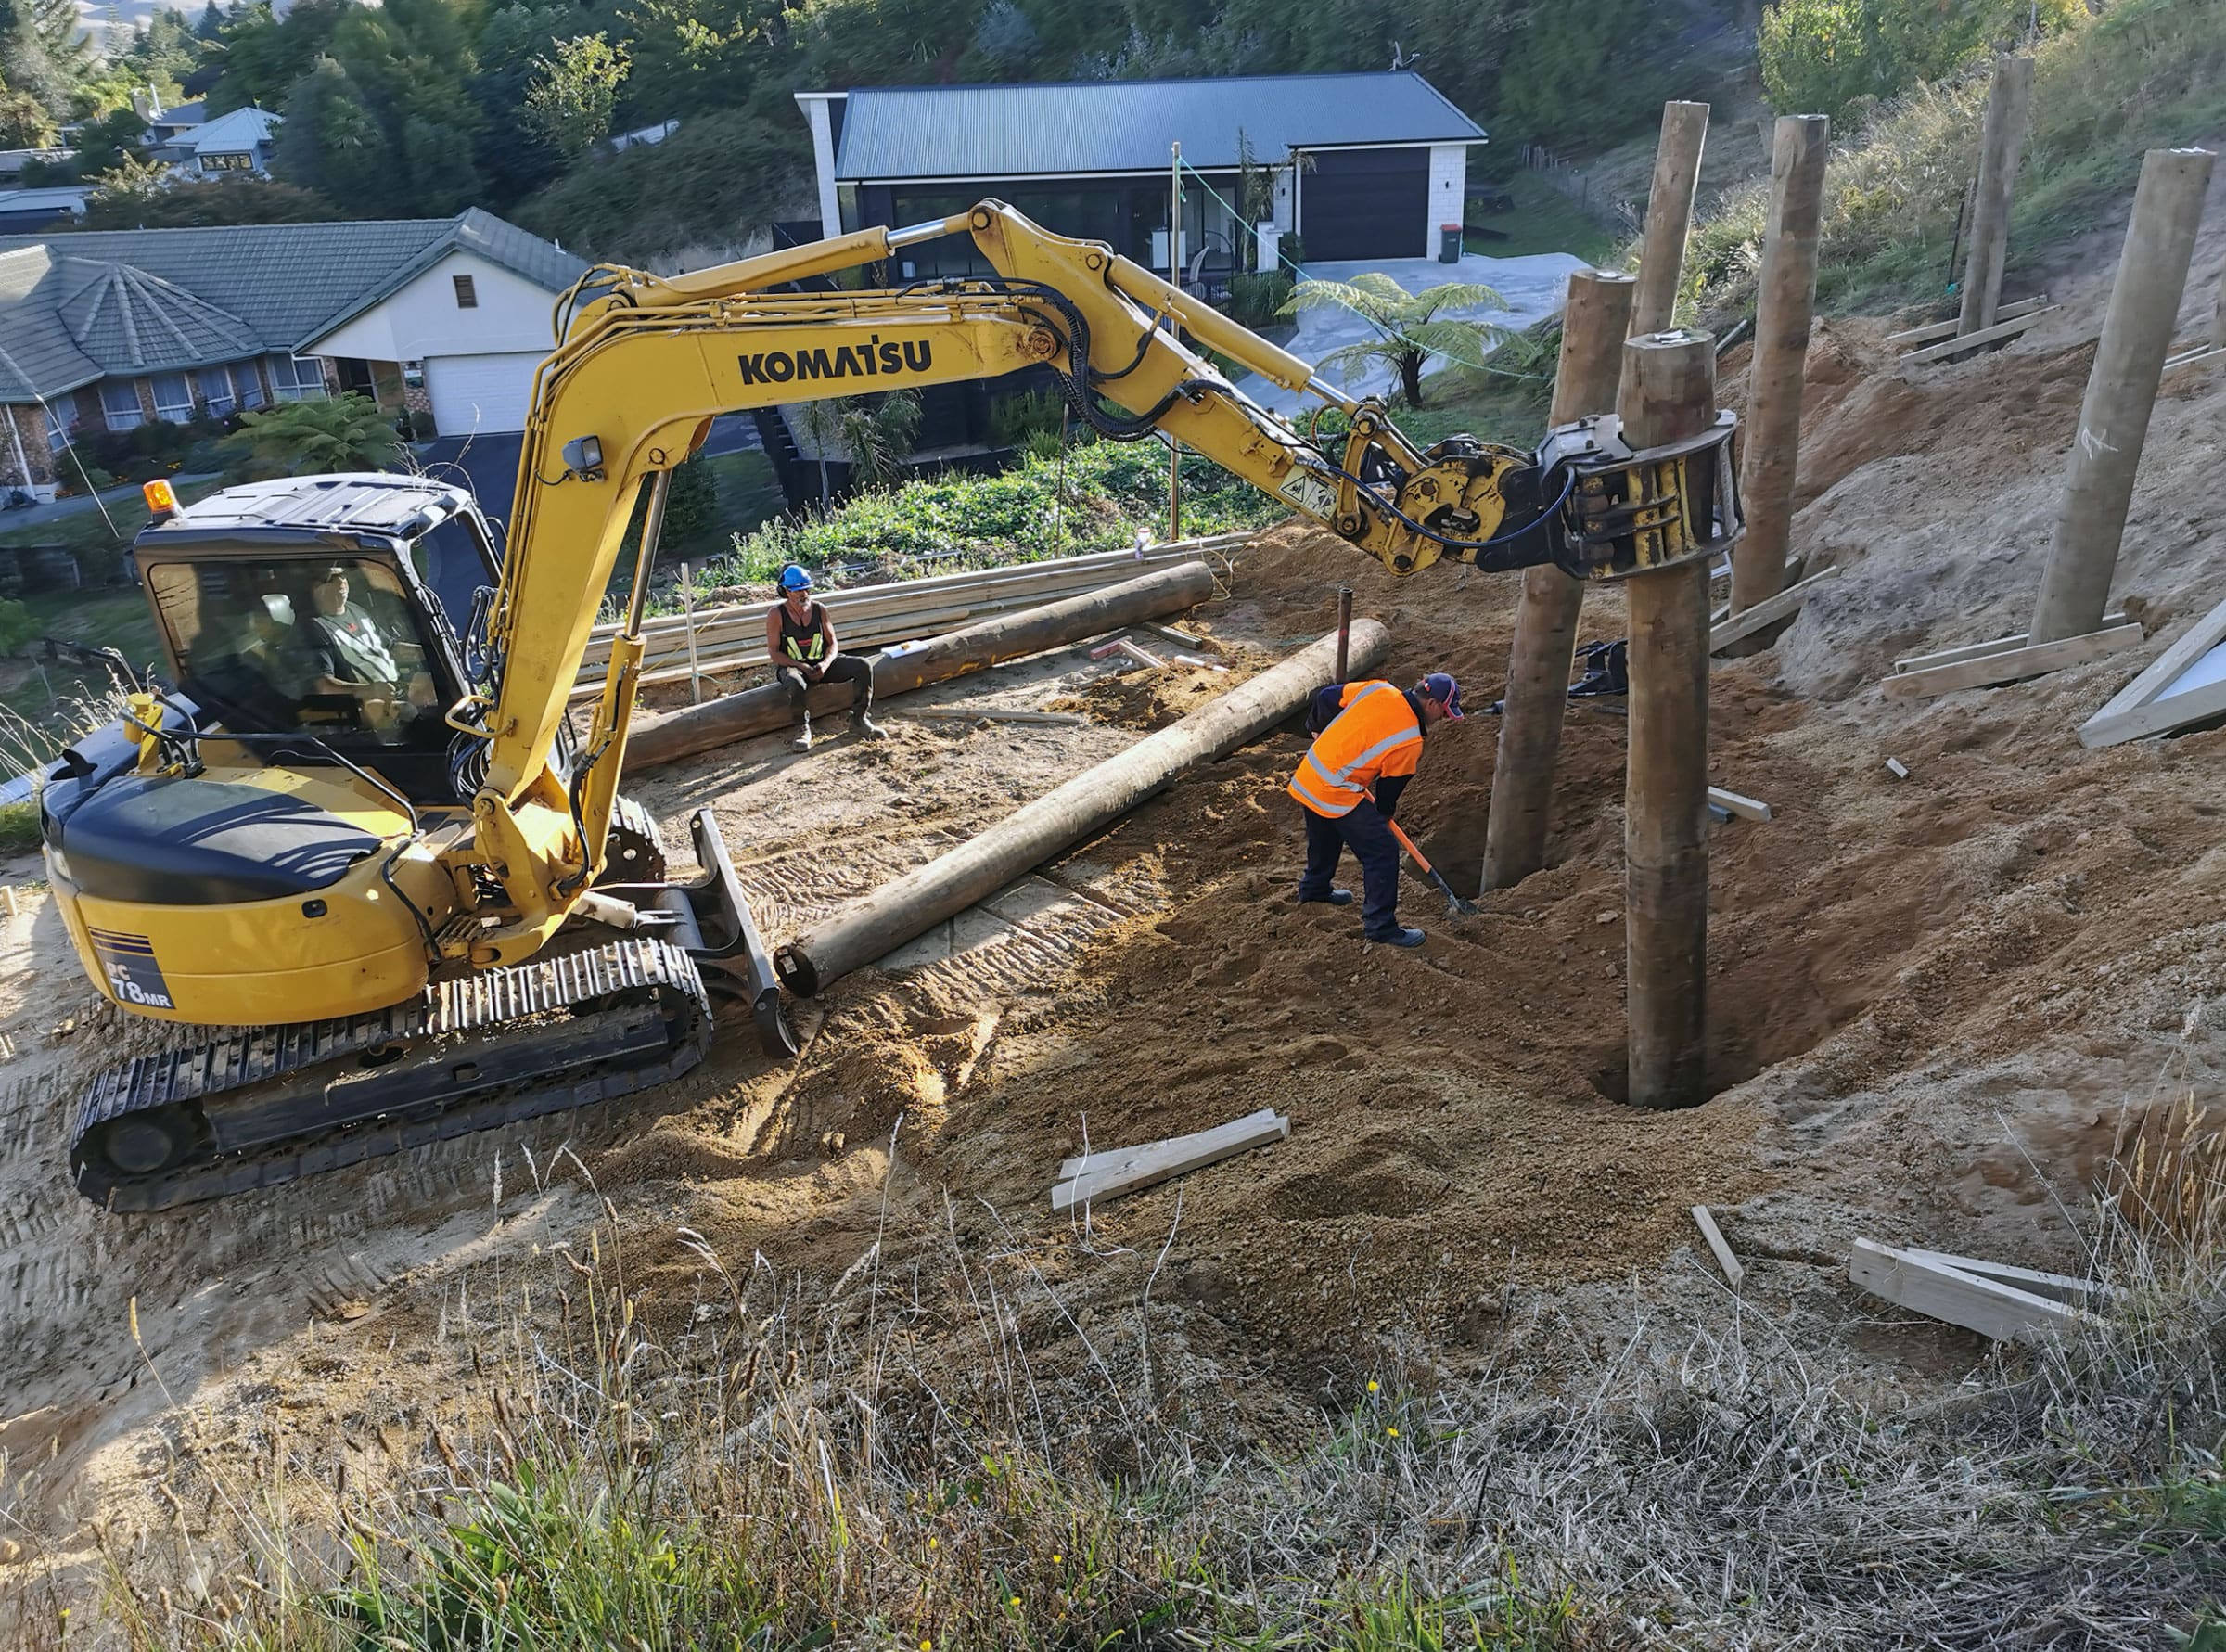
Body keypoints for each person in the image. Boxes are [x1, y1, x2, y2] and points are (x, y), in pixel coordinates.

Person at [1287, 671, 1464, 948]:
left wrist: (1318, 729)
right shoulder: (1410, 741)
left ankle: (1314, 890)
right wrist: (1382, 816)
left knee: (1326, 835)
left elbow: (1326, 696)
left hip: (1310, 773)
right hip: (1336, 789)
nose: (1442, 718)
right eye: (1444, 712)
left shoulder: (1379, 690)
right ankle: (1381, 927)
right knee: (1382, 851)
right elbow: (1388, 794)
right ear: (1431, 704)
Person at [764, 563, 883, 750]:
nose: (803, 594)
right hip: (794, 667)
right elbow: (774, 652)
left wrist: (826, 664)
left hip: (821, 663)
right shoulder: (776, 615)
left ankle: (859, 719)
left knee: (862, 665)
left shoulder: (819, 610)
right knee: (795, 682)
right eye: (797, 590)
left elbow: (833, 642)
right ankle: (802, 729)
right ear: (785, 591)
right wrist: (802, 667)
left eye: (805, 589)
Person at [303, 564, 435, 726]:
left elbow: (391, 648)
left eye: (343, 577)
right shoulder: (315, 628)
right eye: (333, 579)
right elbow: (325, 687)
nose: (342, 582)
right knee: (408, 712)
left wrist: (431, 652)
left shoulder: (356, 610)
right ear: (316, 587)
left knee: (436, 688)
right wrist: (370, 690)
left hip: (392, 689)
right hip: (361, 704)